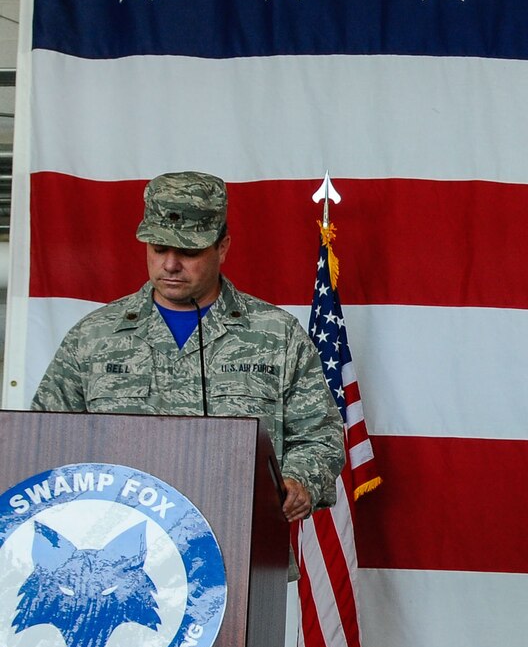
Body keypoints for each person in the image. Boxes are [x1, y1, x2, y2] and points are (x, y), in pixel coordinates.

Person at [31, 170, 342, 525]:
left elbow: (320, 435)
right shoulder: (94, 337)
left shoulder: (276, 334)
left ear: (222, 247)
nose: (170, 265)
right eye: (159, 248)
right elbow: (46, 440)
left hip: (237, 538)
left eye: (188, 251)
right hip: (114, 548)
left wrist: (299, 480)